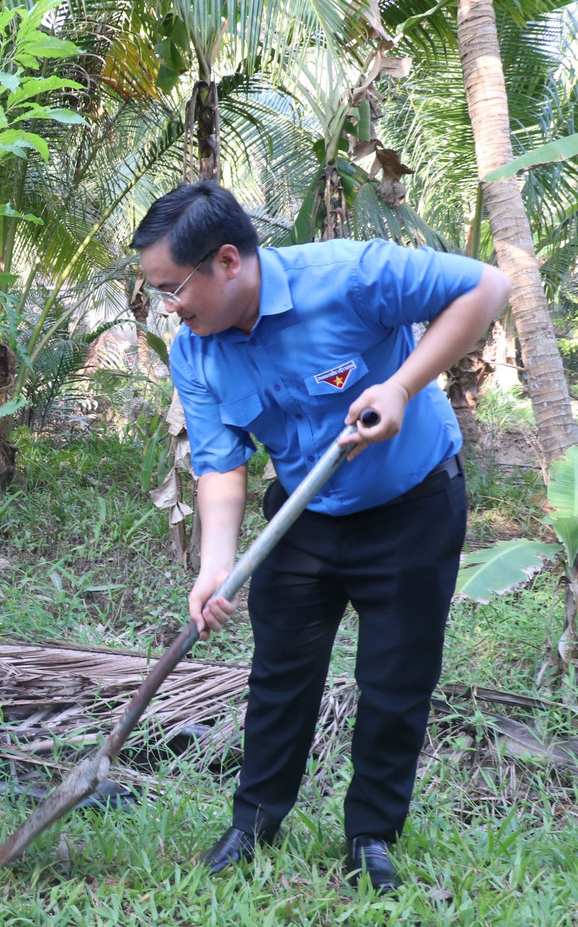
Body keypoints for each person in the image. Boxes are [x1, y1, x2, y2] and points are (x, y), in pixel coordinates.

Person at [130, 182, 510, 892]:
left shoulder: (349, 275)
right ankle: (254, 821)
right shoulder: (197, 352)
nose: (169, 307)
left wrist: (400, 386)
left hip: (412, 503)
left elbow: (488, 285)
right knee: (279, 672)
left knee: (395, 679)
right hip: (302, 515)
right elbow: (220, 467)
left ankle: (370, 834)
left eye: (173, 287)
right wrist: (215, 566)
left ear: (228, 261)